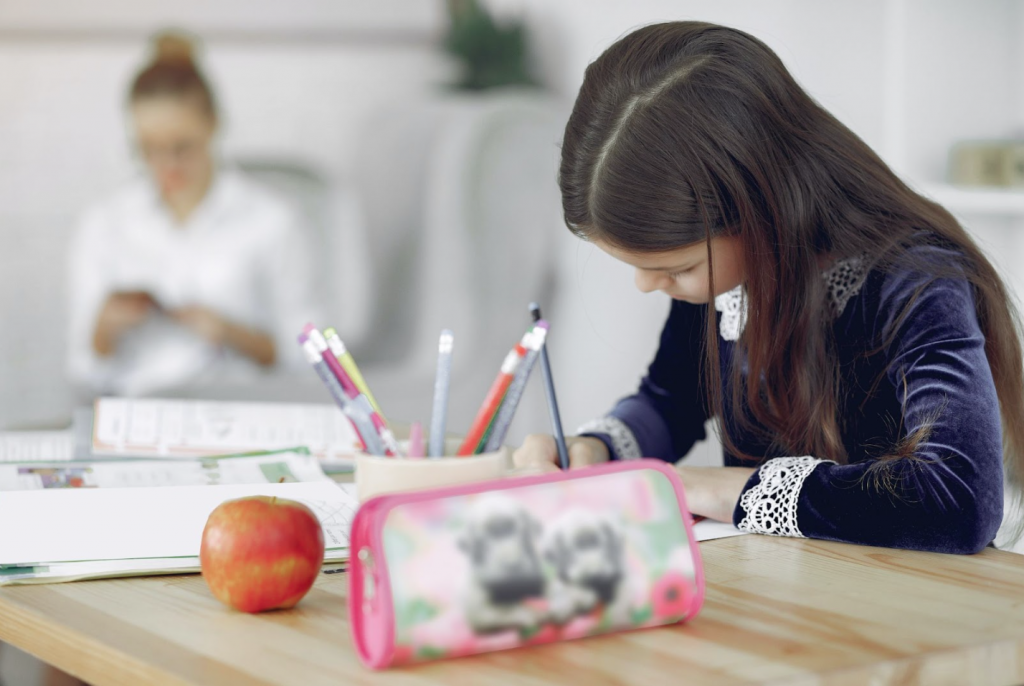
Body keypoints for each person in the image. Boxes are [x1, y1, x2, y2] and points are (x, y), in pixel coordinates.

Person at [513, 21, 1024, 555]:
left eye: (678, 268)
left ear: (762, 207)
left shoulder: (915, 280)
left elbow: (957, 501)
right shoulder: (727, 276)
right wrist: (594, 448)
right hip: (771, 597)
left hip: (894, 606)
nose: (648, 286)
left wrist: (726, 488)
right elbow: (670, 401)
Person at [67, 32, 320, 397]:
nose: (167, 165)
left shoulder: (273, 220)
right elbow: (80, 369)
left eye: (181, 147)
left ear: (213, 124)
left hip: (242, 411)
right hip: (137, 413)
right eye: (149, 150)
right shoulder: (104, 224)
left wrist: (232, 333)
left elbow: (315, 358)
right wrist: (103, 332)